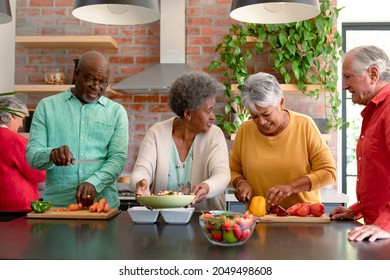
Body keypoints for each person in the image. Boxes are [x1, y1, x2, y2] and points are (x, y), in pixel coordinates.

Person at [26, 51, 128, 209]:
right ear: (76, 75)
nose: (96, 87)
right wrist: (51, 154)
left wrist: (94, 183)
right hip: (58, 208)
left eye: (103, 82)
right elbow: (32, 156)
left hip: (102, 207)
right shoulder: (47, 107)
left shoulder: (116, 112)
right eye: (90, 79)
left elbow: (118, 159)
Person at [230, 72, 336, 211]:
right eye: (254, 116)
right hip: (260, 219)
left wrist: (292, 187)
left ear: (281, 102)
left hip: (302, 219)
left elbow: (328, 172)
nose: (261, 122)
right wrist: (240, 183)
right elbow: (233, 170)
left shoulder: (304, 125)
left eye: (266, 114)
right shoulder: (245, 130)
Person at [130, 71, 230, 211]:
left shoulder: (215, 135)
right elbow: (142, 170)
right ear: (188, 113)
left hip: (202, 218)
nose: (213, 116)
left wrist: (207, 187)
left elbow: (222, 174)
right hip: (161, 218)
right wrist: (140, 183)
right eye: (208, 111)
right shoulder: (156, 132)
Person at [330, 45, 390, 242]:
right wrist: (356, 210)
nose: (344, 86)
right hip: (376, 232)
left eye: (348, 77)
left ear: (373, 74)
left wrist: (384, 224)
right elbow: (379, 174)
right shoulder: (374, 110)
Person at [0, 96, 46, 211]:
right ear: (11, 116)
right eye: (21, 118)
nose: (21, 125)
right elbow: (37, 173)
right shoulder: (16, 141)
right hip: (16, 205)